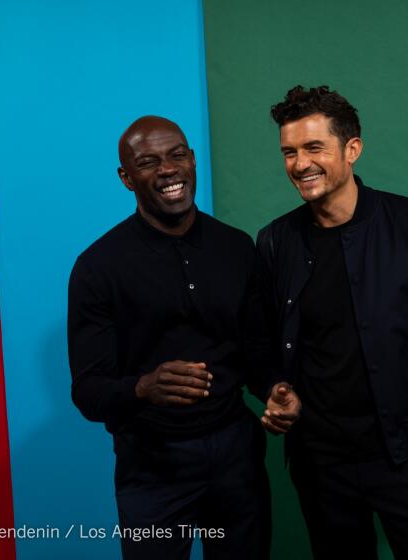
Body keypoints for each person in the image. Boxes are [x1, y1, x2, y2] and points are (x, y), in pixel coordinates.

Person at [67, 115, 299, 560]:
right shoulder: (97, 268)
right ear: (126, 178)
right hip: (151, 464)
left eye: (177, 155)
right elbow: (88, 391)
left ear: (192, 161)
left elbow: (255, 351)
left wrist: (275, 387)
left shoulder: (236, 248)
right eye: (149, 162)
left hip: (236, 458)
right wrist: (143, 387)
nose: (168, 169)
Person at [256, 85, 408, 560]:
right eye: (289, 152)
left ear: (352, 149)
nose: (300, 163)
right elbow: (260, 340)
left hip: (407, 454)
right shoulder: (274, 243)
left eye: (314, 147)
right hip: (320, 464)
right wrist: (274, 386)